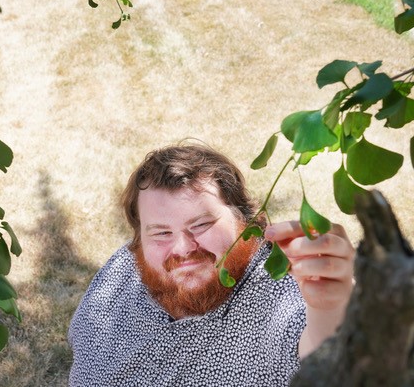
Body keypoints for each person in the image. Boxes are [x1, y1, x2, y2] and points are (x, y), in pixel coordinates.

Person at [68, 143, 355, 386]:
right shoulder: (125, 267)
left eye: (202, 224)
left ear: (245, 221)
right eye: (161, 232)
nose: (182, 248)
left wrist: (329, 308)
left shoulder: (279, 295)